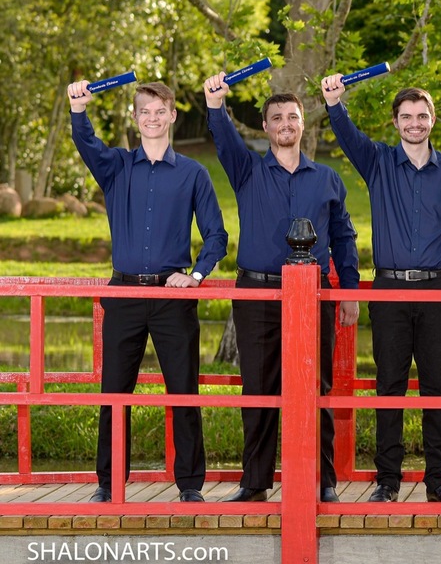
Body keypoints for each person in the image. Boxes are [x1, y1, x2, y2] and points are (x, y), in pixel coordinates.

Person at [321, 77, 441, 504]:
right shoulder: (377, 161)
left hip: (437, 291)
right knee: (389, 387)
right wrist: (335, 103)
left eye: (422, 116)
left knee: (436, 388)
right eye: (407, 116)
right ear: (395, 122)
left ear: (433, 121)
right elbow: (347, 135)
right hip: (389, 289)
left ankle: (438, 481)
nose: (415, 123)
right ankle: (387, 481)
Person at [69, 80, 227, 504]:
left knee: (184, 391)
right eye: (145, 111)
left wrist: (195, 276)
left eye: (160, 111)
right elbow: (86, 143)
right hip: (123, 295)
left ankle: (190, 485)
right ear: (135, 117)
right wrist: (79, 110)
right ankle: (109, 484)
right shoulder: (115, 167)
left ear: (172, 115)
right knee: (114, 393)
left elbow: (216, 235)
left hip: (172, 299)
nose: (152, 118)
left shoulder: (194, 173)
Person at [204, 75, 360, 504]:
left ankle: (323, 481)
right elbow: (223, 137)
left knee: (317, 388)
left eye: (292, 117)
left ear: (302, 124)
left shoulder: (327, 179)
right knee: (258, 389)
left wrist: (349, 290)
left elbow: (344, 238)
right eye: (277, 118)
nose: (285, 124)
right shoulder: (247, 170)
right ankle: (254, 483)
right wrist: (215, 104)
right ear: (266, 127)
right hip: (257, 296)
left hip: (313, 297)